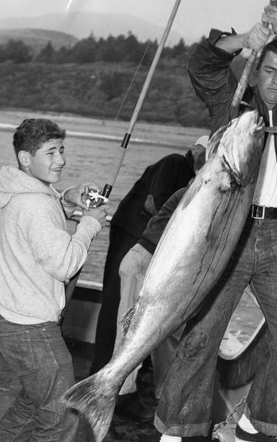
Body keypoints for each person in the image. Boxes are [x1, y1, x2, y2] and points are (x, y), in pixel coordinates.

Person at [152, 0, 277, 442]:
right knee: (200, 337)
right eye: (269, 70)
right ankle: (171, 435)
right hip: (227, 233)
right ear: (253, 73)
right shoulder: (228, 105)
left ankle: (262, 422)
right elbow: (202, 63)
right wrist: (246, 39)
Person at [0, 118, 108, 442]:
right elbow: (64, 264)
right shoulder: (34, 204)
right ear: (25, 157)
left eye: (61, 150)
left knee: (32, 406)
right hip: (32, 330)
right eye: (51, 152)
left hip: (8, 319)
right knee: (61, 419)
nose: (61, 160)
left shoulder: (15, 187)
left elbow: (39, 212)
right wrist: (90, 224)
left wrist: (68, 196)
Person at [89, 136, 209, 421]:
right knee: (119, 309)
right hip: (134, 237)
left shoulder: (192, 177)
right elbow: (155, 204)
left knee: (123, 310)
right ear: (195, 150)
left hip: (141, 241)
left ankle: (106, 380)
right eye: (207, 153)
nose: (209, 160)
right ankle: (109, 386)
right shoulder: (175, 163)